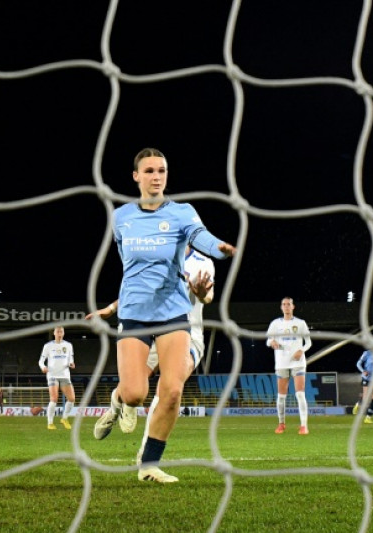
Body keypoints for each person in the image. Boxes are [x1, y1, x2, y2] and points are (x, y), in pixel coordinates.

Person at [99, 147, 235, 483]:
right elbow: (129, 265)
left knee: (172, 391)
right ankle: (119, 402)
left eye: (161, 170)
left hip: (173, 314)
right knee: (135, 393)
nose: (156, 177)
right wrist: (115, 305)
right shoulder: (121, 217)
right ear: (136, 176)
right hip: (135, 313)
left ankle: (148, 464)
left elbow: (201, 237)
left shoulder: (182, 213)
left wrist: (219, 248)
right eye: (149, 171)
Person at [90, 245, 216, 453]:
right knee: (133, 386)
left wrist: (203, 295)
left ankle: (146, 454)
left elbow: (208, 296)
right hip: (156, 331)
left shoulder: (203, 262)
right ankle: (115, 407)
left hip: (189, 336)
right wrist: (111, 309)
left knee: (169, 389)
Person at [266, 297, 313, 435]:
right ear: (281, 307)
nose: (286, 306)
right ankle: (281, 424)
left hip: (298, 363)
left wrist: (301, 350)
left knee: (300, 394)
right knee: (281, 396)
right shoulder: (275, 324)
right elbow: (268, 340)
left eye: (289, 304)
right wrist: (272, 343)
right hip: (281, 363)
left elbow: (308, 342)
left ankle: (304, 426)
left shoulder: (300, 323)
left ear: (293, 307)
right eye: (284, 304)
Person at [38, 326, 76, 430]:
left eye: (61, 331)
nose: (59, 333)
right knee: (54, 398)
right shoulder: (48, 346)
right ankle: (50, 423)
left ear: (63, 333)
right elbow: (41, 361)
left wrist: (71, 363)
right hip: (52, 375)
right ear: (54, 333)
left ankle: (64, 419)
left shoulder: (68, 345)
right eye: (57, 331)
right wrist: (43, 367)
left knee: (72, 399)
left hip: (64, 375)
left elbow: (71, 359)